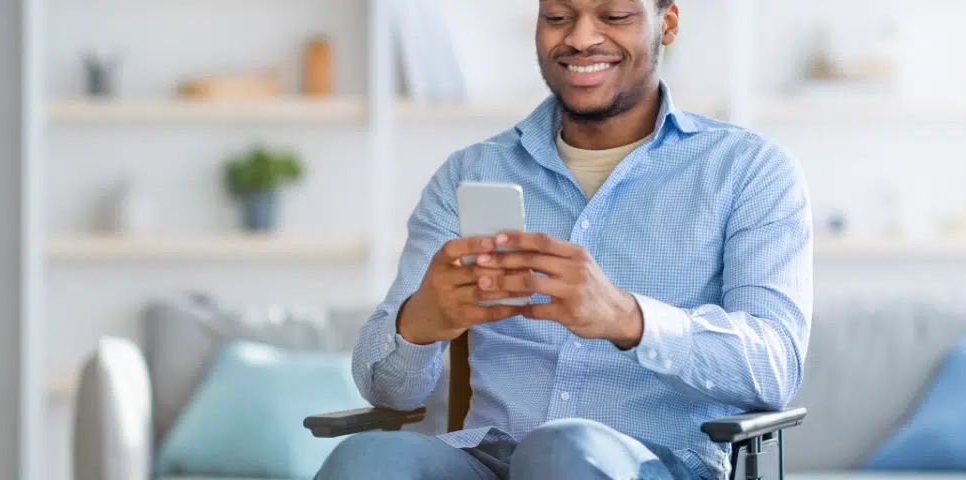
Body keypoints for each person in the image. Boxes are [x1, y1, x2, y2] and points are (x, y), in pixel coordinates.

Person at [316, 0, 812, 478]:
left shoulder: (751, 172)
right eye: (557, 16)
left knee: (561, 452)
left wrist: (628, 318)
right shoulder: (468, 174)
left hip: (656, 465)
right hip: (488, 460)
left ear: (668, 25)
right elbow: (385, 392)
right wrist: (420, 322)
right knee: (365, 460)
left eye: (614, 16)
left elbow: (775, 368)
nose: (580, 38)